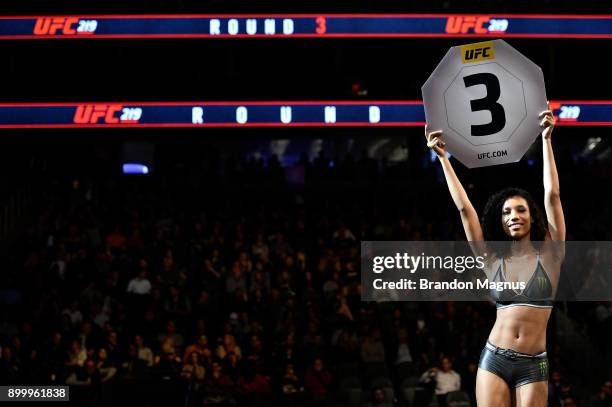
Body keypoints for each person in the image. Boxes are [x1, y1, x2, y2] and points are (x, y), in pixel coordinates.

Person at [425, 107, 565, 406]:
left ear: (532, 217)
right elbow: (465, 210)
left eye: (520, 209)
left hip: (534, 363)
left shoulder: (552, 255)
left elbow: (552, 195)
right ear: (501, 221)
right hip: (494, 359)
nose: (513, 216)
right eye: (506, 212)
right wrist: (442, 158)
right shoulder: (491, 259)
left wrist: (546, 139)